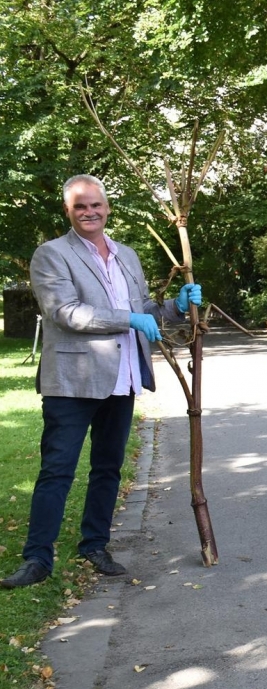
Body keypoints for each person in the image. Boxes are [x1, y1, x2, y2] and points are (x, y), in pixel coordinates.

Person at [1, 175, 201, 589]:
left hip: (122, 377)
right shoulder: (51, 254)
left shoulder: (126, 255)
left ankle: (94, 544)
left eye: (95, 205)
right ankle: (37, 558)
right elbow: (65, 313)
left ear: (107, 207)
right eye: (79, 207)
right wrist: (128, 318)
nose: (89, 212)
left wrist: (175, 307)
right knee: (58, 470)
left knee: (107, 468)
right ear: (68, 212)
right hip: (73, 382)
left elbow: (141, 308)